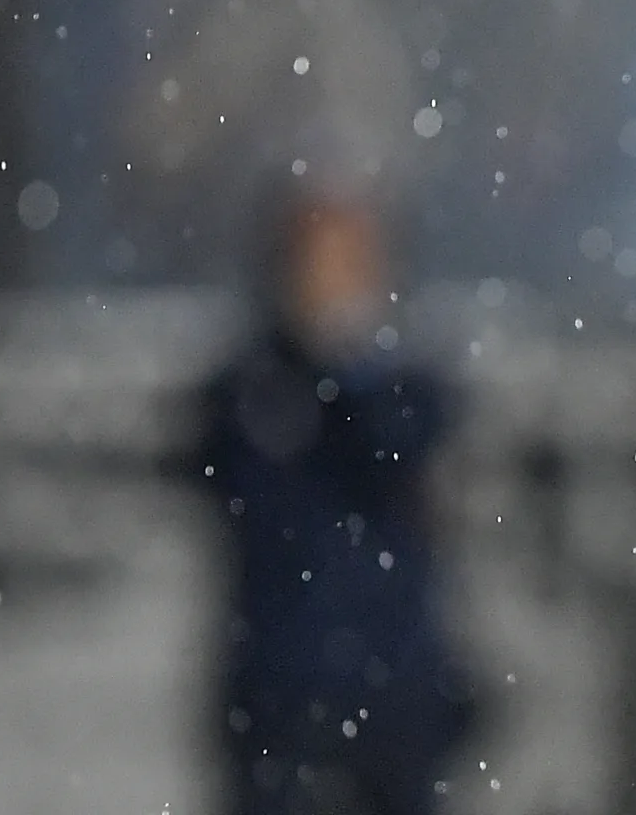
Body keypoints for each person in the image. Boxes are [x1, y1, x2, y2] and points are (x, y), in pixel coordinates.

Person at [195, 188, 473, 815]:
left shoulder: (409, 389)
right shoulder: (250, 391)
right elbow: (251, 497)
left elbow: (400, 455)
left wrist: (353, 370)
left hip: (397, 695)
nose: (331, 285)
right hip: (281, 696)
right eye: (316, 264)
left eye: (350, 264)